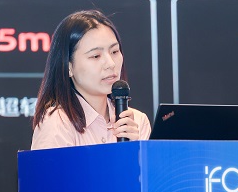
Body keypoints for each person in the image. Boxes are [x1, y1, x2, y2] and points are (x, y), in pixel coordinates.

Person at [31, 10, 151, 150]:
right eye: (96, 56)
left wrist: (136, 150)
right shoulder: (57, 123)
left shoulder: (137, 122)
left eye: (114, 52)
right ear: (68, 67)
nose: (111, 64)